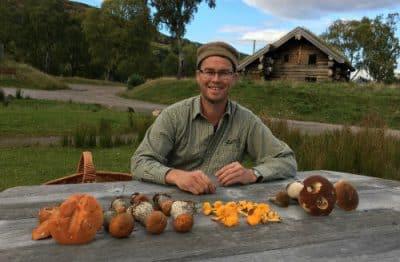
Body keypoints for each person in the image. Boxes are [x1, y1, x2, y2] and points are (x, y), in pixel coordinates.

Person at [131, 41, 297, 195]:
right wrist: (176, 176)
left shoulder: (247, 121)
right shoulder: (173, 116)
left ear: (234, 78)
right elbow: (140, 162)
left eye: (224, 73)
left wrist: (252, 174)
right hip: (174, 207)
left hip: (224, 210)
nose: (216, 80)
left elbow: (286, 160)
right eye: (209, 72)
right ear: (198, 76)